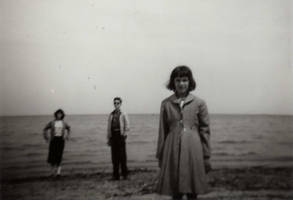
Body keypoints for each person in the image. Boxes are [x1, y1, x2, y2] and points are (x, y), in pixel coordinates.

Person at [156, 66, 211, 200]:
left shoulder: (199, 103)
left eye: (185, 80)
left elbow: (205, 130)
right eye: (178, 80)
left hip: (193, 148)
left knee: (193, 189)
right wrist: (160, 154)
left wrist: (206, 155)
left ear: (190, 82)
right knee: (175, 190)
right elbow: (162, 130)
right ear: (173, 82)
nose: (181, 84)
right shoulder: (166, 103)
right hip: (172, 148)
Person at [107, 97, 130, 180]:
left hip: (120, 136)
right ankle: (115, 175)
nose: (116, 104)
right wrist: (109, 138)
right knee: (114, 157)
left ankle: (125, 175)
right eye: (115, 103)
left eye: (117, 103)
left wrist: (124, 135)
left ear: (120, 104)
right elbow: (109, 127)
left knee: (122, 156)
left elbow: (127, 125)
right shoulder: (111, 114)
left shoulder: (123, 114)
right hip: (113, 136)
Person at [43, 109, 70, 177]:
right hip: (53, 140)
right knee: (52, 156)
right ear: (56, 114)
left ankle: (58, 173)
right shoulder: (52, 122)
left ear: (62, 115)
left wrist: (67, 136)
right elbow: (45, 129)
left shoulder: (64, 123)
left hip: (61, 140)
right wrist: (46, 137)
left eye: (60, 114)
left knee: (59, 156)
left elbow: (69, 128)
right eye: (58, 114)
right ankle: (52, 173)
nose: (59, 115)